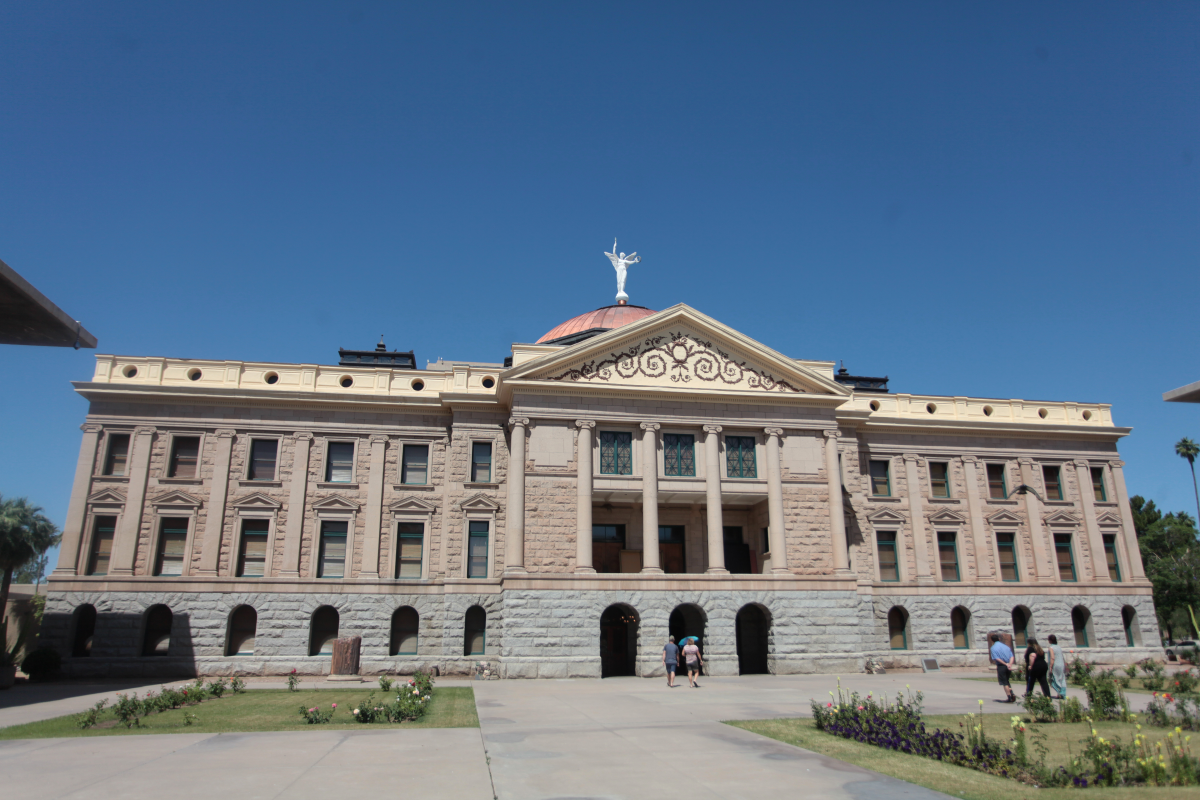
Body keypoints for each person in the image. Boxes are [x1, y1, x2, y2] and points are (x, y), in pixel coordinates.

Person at [989, 635, 1017, 703]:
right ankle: (1012, 693)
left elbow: (997, 658)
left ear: (992, 640)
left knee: (1004, 682)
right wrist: (1010, 664)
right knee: (1007, 681)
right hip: (1008, 665)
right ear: (999, 638)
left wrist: (1005, 664)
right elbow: (1011, 656)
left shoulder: (993, 648)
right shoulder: (1006, 646)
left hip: (1001, 666)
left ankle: (1009, 697)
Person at [1047, 634, 1068, 699]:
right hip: (1061, 664)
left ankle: (1059, 692)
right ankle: (1062, 693)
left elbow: (1052, 658)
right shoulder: (1058, 647)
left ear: (1050, 640)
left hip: (1055, 665)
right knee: (1062, 679)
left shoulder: (1051, 648)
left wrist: (1050, 667)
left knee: (1054, 679)